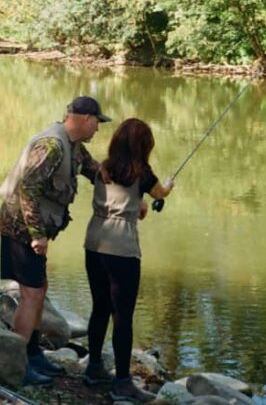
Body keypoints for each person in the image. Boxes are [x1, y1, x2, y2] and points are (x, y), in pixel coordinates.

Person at [0, 95, 111, 386]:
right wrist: (36, 236)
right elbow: (27, 190)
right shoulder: (51, 146)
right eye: (98, 122)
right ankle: (17, 363)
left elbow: (95, 171)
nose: (98, 129)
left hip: (31, 230)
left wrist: (132, 181)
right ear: (85, 119)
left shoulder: (73, 146)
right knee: (32, 295)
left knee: (39, 288)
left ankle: (33, 354)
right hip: (20, 229)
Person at [82, 118, 174, 403]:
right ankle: (122, 382)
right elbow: (160, 193)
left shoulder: (103, 167)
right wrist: (169, 185)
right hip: (121, 249)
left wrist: (138, 207)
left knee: (100, 308)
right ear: (143, 146)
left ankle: (94, 368)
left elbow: (121, 202)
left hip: (95, 242)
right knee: (122, 317)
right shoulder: (142, 173)